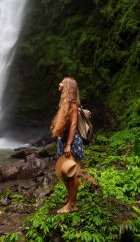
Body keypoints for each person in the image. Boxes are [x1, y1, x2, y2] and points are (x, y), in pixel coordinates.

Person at [50, 77, 85, 213]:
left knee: (73, 172)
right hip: (63, 141)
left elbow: (73, 125)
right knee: (64, 171)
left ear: (67, 87)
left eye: (62, 83)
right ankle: (70, 197)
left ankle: (72, 205)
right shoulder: (64, 103)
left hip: (72, 141)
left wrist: (69, 144)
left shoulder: (73, 105)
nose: (59, 84)